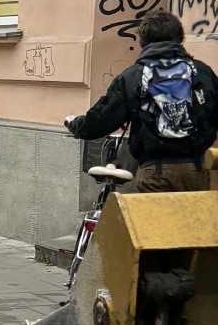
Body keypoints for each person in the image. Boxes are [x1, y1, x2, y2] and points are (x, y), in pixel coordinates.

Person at [65, 10, 218, 190]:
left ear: (142, 41)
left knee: (153, 210)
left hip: (156, 172)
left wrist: (76, 124)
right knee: (194, 210)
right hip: (197, 170)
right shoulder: (202, 72)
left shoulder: (133, 76)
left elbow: (101, 120)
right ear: (180, 38)